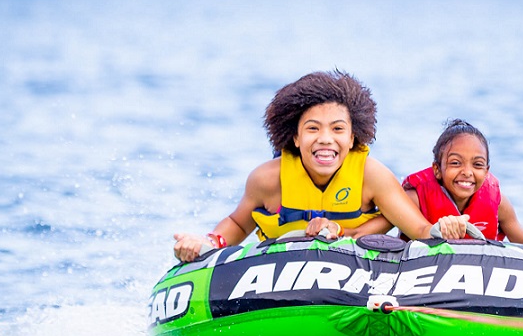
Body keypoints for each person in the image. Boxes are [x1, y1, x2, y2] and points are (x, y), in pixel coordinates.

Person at [173, 71, 469, 262]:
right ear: (295, 137)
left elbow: (418, 228)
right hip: (280, 272)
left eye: (338, 129)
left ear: (353, 137)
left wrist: (444, 227)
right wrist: (208, 241)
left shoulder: (372, 176)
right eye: (313, 129)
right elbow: (238, 224)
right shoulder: (267, 179)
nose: (326, 139)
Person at [358, 119, 523, 254]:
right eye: (455, 163)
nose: (467, 172)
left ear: (487, 172)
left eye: (477, 165)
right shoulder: (414, 198)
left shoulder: (499, 204)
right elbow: (367, 234)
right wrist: (338, 232)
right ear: (437, 169)